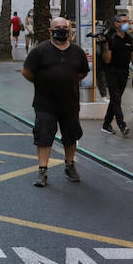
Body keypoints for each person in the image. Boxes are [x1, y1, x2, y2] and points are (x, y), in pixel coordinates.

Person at [22, 17, 89, 186]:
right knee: (44, 137)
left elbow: (82, 72)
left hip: (70, 104)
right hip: (45, 104)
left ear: (70, 30)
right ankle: (42, 171)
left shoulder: (77, 51)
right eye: (58, 27)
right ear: (50, 31)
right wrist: (44, 83)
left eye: (65, 27)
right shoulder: (40, 51)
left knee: (71, 136)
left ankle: (70, 165)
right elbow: (27, 72)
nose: (62, 30)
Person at [98, 14, 133, 136]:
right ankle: (122, 124)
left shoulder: (129, 38)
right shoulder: (110, 37)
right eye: (123, 21)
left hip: (124, 73)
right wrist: (105, 47)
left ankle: (106, 124)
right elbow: (107, 60)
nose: (127, 23)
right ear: (116, 23)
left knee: (116, 100)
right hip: (111, 72)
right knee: (116, 98)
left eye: (127, 21)